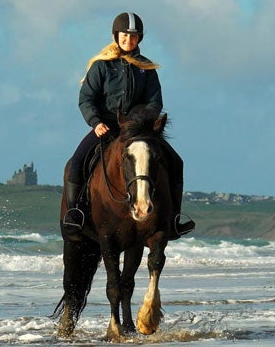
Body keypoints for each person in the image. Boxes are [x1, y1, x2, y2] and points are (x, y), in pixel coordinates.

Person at [63, 12, 194, 239]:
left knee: (176, 162)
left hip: (137, 131)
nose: (128, 40)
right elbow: (86, 99)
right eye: (124, 35)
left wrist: (143, 124)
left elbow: (155, 101)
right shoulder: (102, 66)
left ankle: (174, 218)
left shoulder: (146, 68)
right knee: (76, 162)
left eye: (133, 36)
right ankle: (75, 214)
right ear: (116, 36)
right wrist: (96, 122)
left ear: (139, 39)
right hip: (106, 127)